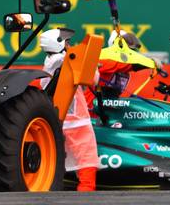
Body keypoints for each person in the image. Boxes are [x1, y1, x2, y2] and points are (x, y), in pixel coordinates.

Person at [40, 28, 98, 191]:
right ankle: (86, 195)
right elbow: (93, 78)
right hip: (77, 121)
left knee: (54, 163)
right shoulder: (67, 59)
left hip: (56, 120)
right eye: (67, 42)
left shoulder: (50, 61)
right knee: (88, 160)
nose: (70, 44)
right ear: (57, 43)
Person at [84, 30, 157, 110]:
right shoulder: (104, 60)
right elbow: (129, 65)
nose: (131, 53)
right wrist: (151, 63)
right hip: (91, 111)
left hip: (108, 111)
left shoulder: (125, 70)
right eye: (128, 49)